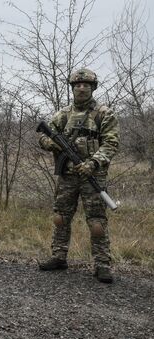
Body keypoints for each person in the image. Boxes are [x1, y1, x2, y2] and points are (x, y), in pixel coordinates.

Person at [38, 68, 120, 283]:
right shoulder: (63, 114)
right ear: (72, 88)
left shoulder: (104, 113)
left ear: (93, 88)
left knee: (97, 222)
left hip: (93, 175)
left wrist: (93, 162)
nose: (81, 88)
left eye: (86, 85)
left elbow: (111, 143)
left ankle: (102, 264)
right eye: (77, 85)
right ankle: (58, 256)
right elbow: (43, 138)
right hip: (67, 175)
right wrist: (52, 143)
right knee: (60, 217)